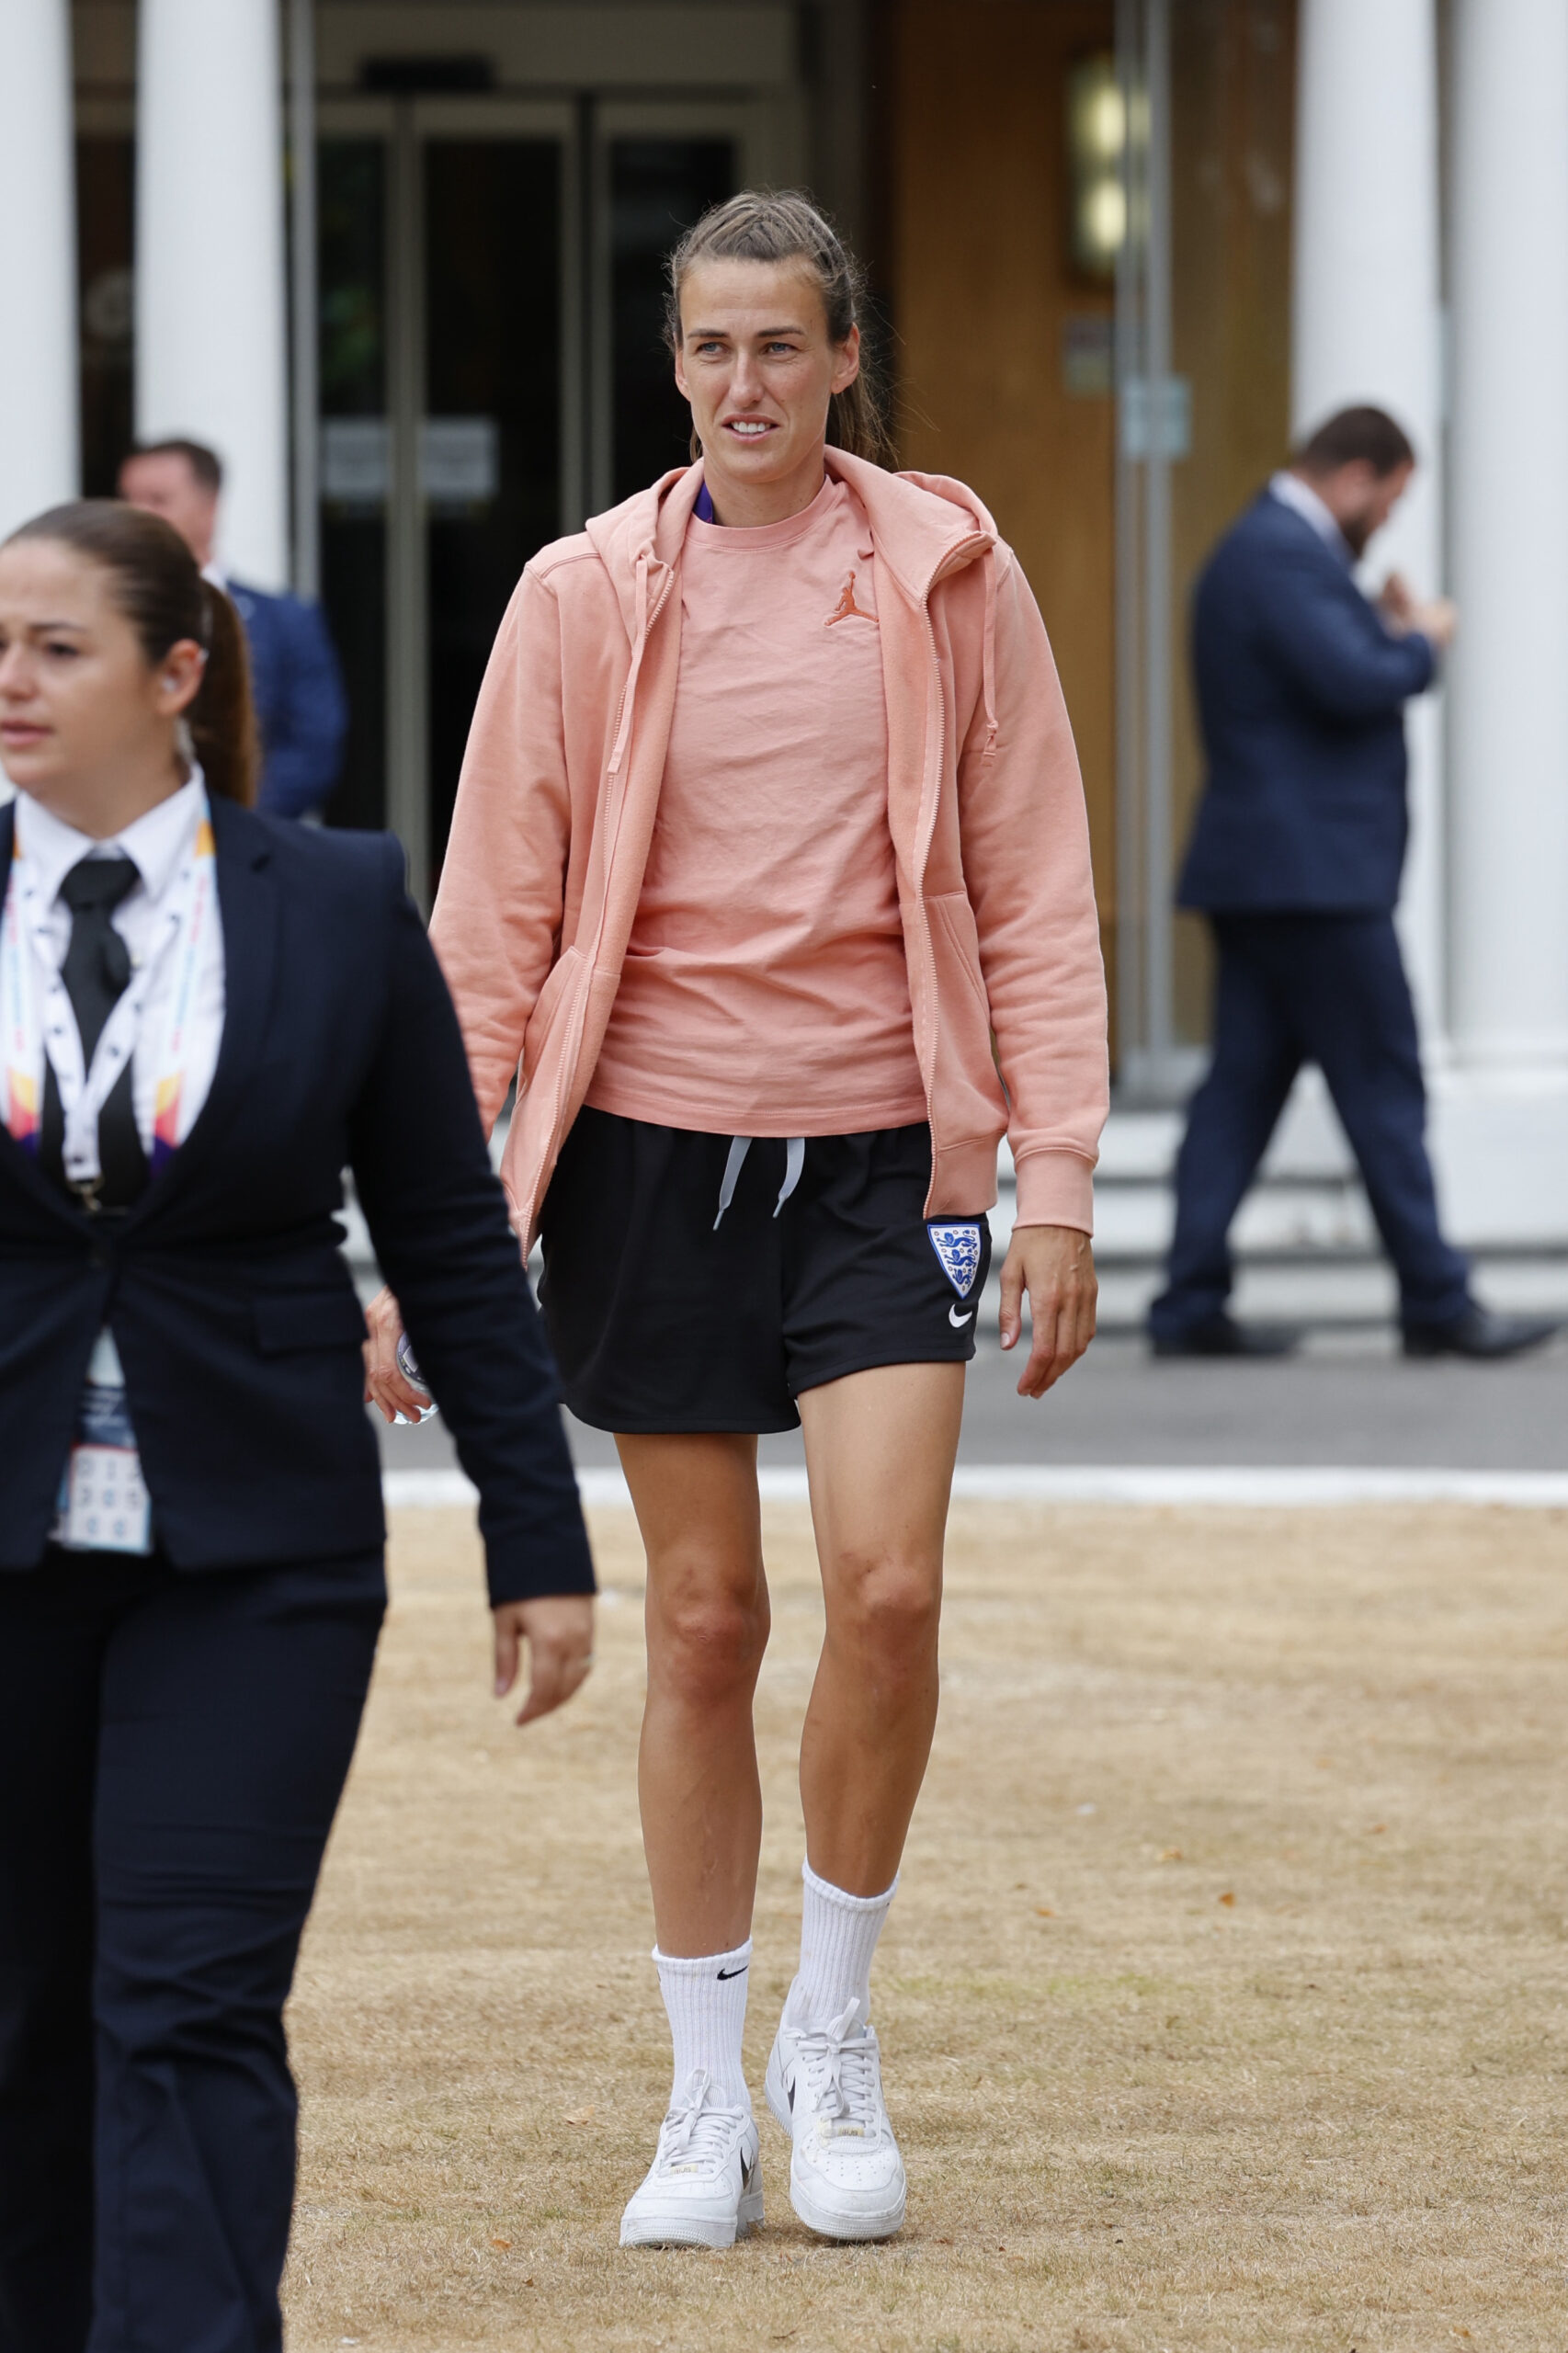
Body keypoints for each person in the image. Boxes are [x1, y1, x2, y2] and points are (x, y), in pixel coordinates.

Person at [364, 190, 1108, 2248]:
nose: (744, 385)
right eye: (710, 350)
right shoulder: (584, 595)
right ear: (672, 363)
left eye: (781, 346)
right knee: (704, 1624)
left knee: (885, 1591)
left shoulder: (947, 573)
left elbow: (1036, 883)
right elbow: (485, 932)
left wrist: (1055, 1180)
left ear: (843, 354)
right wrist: (431, 1234)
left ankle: (835, 2029)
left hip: (889, 1161)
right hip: (648, 1164)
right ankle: (704, 2098)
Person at [0, 499, 596, 2352]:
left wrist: (537, 1536)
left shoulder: (336, 902)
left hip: (257, 1554)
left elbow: (447, 1236)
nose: (10, 679)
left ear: (178, 675)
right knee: (20, 2013)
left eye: (54, 646)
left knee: (185, 2002)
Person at [1149, 405, 1560, 1360]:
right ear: (1356, 477)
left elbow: (1316, 672)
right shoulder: (1279, 553)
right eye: (1391, 498)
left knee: (1241, 1093)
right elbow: (1354, 678)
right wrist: (1421, 637)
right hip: (1312, 883)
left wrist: (1377, 628)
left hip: (1273, 879)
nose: (1386, 520)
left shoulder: (1271, 553)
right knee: (1381, 1086)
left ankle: (1186, 1302)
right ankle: (1434, 1300)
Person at [119, 437, 348, 821]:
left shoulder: (287, 620)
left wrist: (232, 822)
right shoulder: (96, 617)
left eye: (158, 500)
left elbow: (313, 744)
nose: (137, 515)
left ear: (209, 509)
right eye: (128, 499)